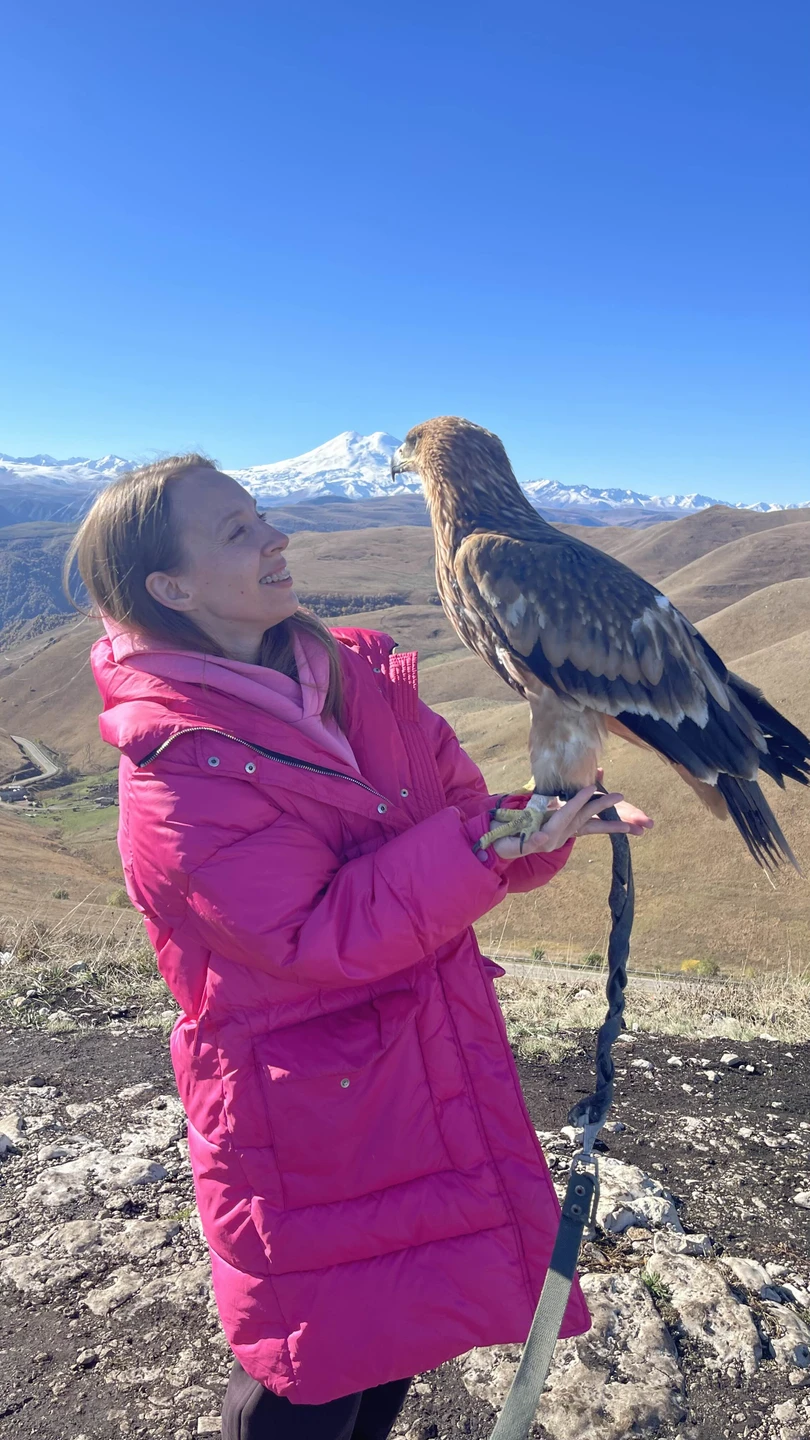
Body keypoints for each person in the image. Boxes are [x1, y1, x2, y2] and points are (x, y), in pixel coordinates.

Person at [69, 454, 652, 1440]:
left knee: (396, 1336)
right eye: (237, 532)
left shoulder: (363, 677)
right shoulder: (174, 770)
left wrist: (533, 824)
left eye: (262, 515)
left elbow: (456, 819)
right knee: (309, 1371)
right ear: (170, 588)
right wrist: (481, 848)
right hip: (308, 1119)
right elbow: (310, 936)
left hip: (427, 1069)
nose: (275, 538)